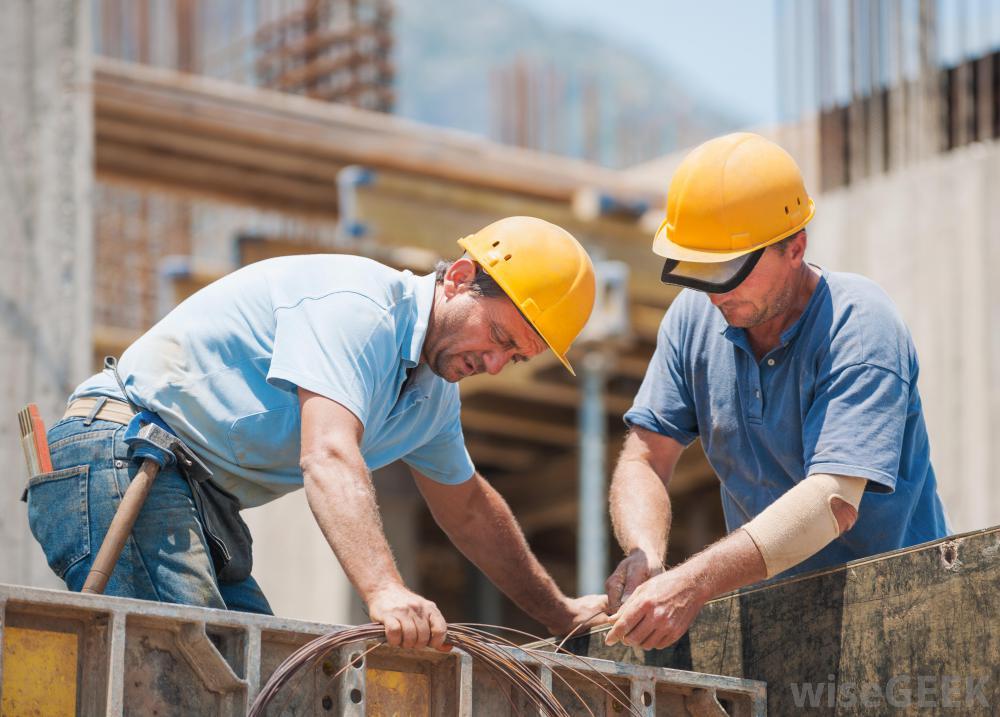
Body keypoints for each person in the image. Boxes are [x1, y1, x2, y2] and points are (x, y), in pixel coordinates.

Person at [26, 215, 608, 650]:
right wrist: (385, 591)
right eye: (500, 338)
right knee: (190, 672)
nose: (497, 364)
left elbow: (471, 512)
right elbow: (328, 455)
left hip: (188, 494)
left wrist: (559, 614)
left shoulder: (430, 399)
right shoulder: (359, 308)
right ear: (458, 278)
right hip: (120, 456)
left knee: (263, 678)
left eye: (517, 358)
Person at [603, 133, 950, 650]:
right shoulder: (692, 320)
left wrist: (694, 583)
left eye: (730, 270)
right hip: (774, 623)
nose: (715, 291)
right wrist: (645, 555)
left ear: (795, 248)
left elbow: (833, 501)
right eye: (700, 269)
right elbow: (645, 459)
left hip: (903, 618)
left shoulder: (859, 326)